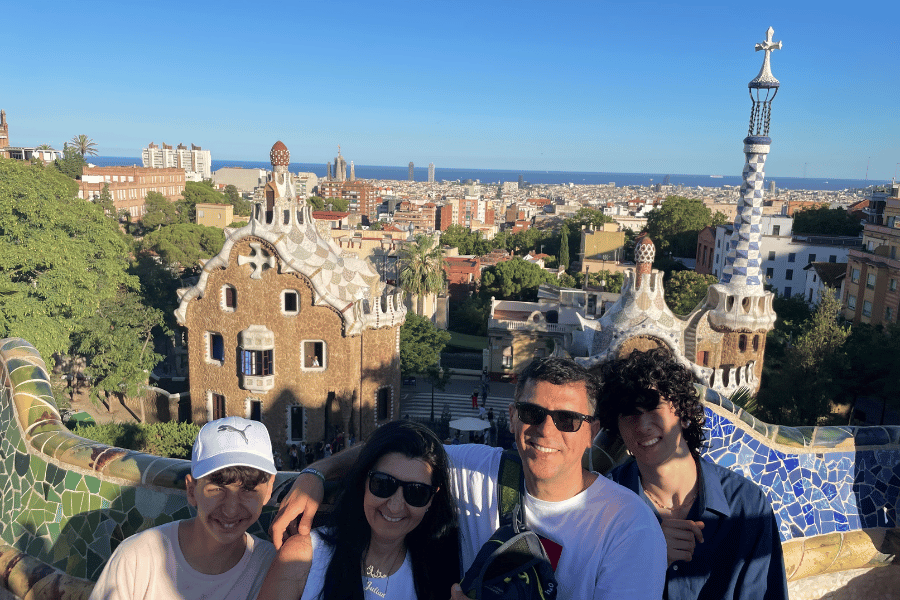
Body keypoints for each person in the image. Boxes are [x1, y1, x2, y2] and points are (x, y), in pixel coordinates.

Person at [270, 357, 667, 600]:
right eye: (531, 413)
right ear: (512, 418)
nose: (546, 431)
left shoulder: (629, 527)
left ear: (591, 430)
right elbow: (402, 450)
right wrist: (316, 473)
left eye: (567, 419)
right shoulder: (478, 470)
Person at [595, 348, 789, 600]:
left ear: (684, 413)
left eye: (653, 406)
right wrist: (647, 559)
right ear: (617, 427)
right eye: (629, 413)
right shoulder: (604, 504)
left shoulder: (747, 505)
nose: (642, 426)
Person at [257, 421, 459, 600]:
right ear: (364, 481)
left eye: (416, 492)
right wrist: (314, 473)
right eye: (383, 484)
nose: (395, 506)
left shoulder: (439, 573)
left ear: (432, 498)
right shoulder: (303, 558)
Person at [90, 416, 278, 600]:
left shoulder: (274, 568)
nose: (230, 510)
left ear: (269, 489)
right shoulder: (136, 557)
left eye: (248, 490)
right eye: (217, 489)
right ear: (191, 490)